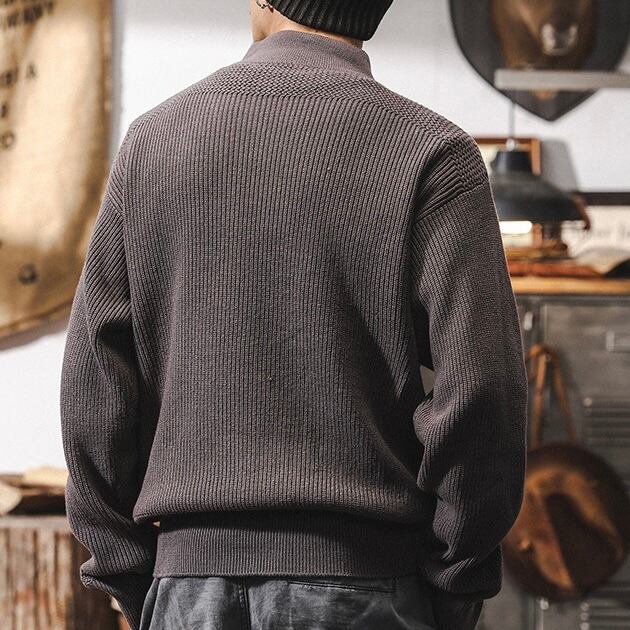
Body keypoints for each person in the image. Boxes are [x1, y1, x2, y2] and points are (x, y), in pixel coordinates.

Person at [59, 1, 528, 629]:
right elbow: (483, 395)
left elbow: (95, 388)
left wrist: (132, 573)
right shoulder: (432, 152)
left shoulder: (155, 143)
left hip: (189, 588)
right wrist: (454, 578)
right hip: (368, 588)